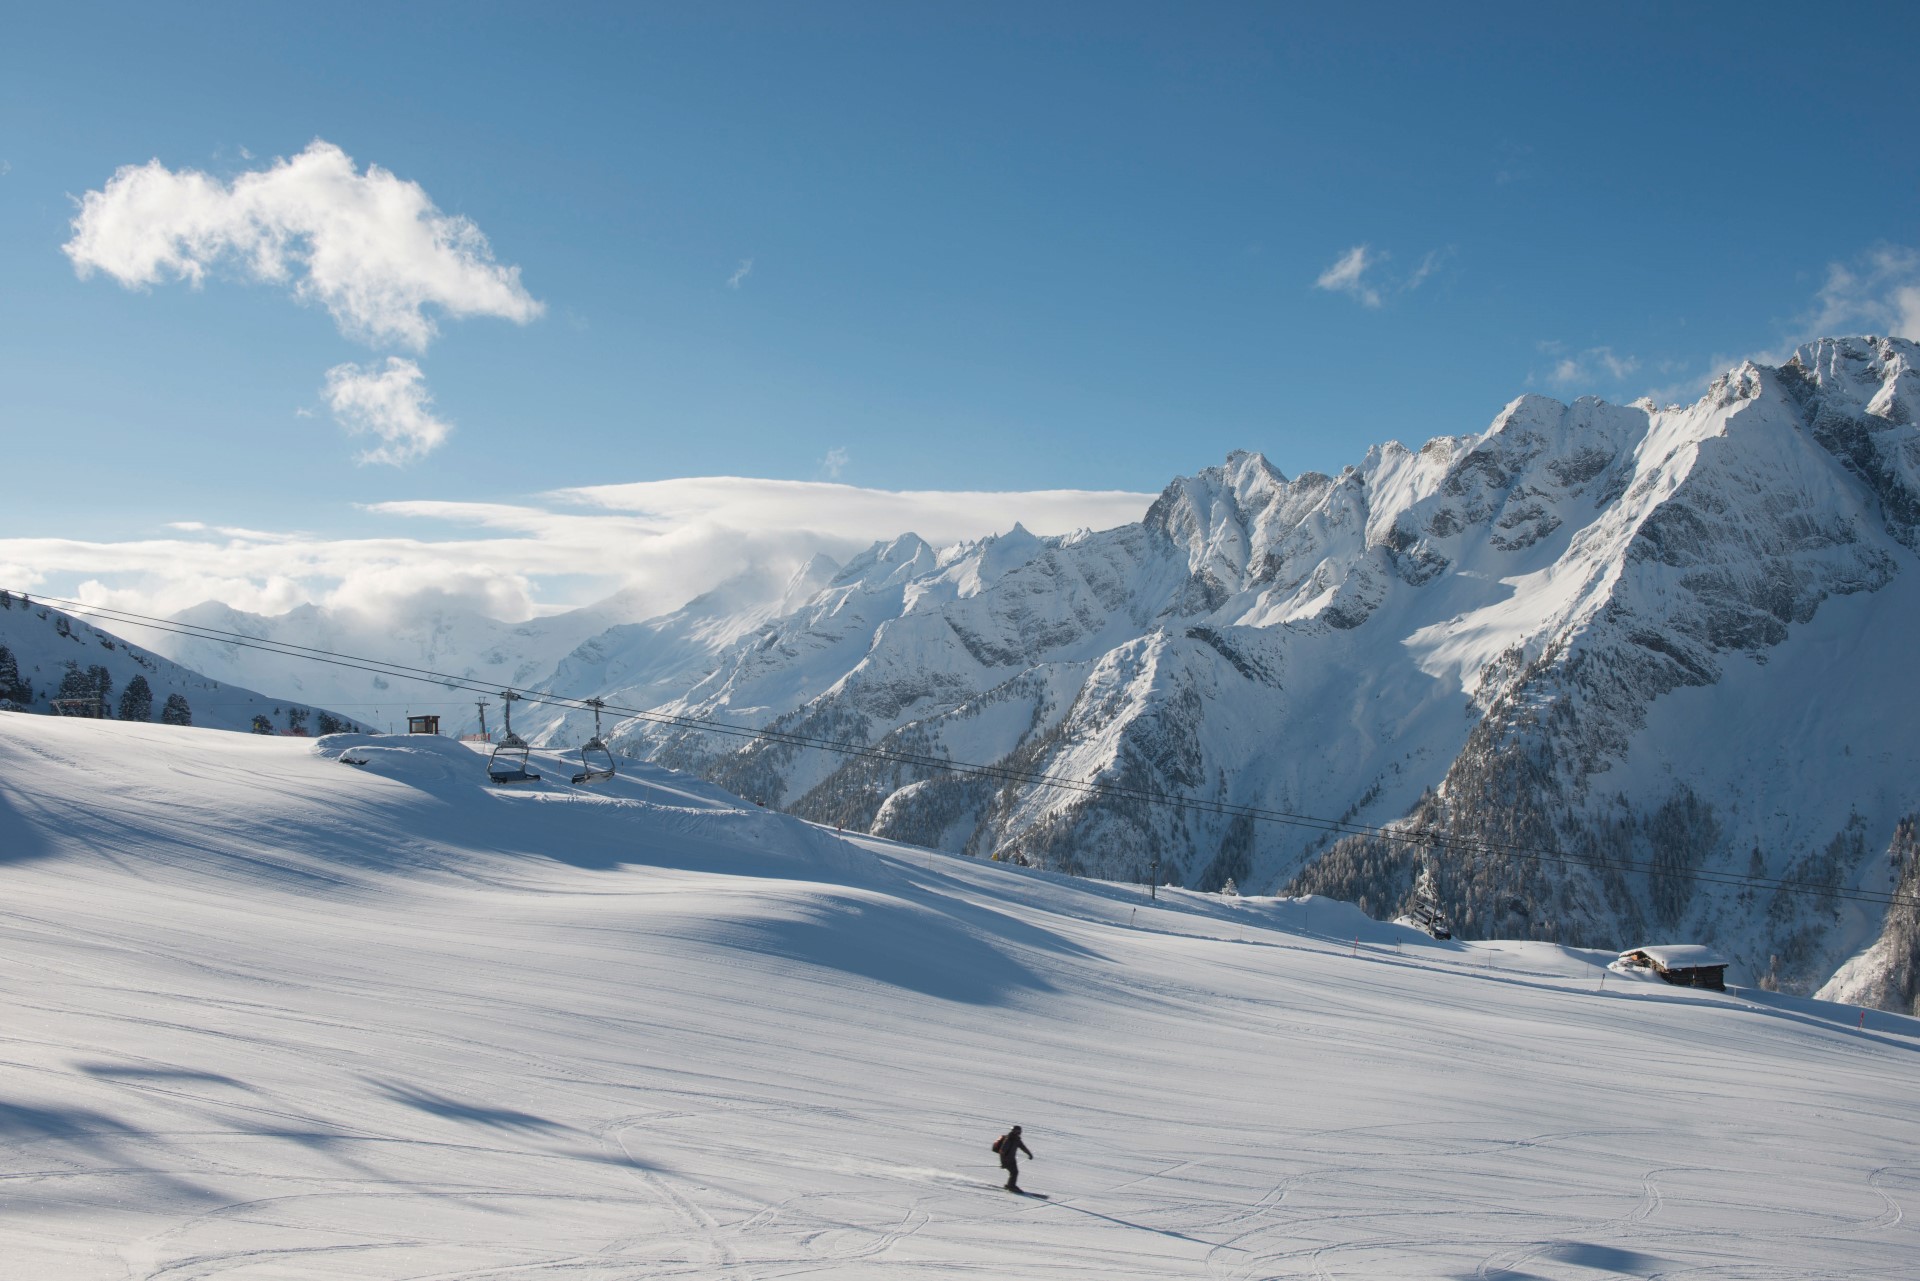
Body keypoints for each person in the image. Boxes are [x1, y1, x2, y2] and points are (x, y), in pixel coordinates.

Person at [995, 1124, 1033, 1192]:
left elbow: (1023, 1147)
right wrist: (1003, 1162)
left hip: (1012, 1159)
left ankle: (1010, 1185)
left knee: (1014, 1173)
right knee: (1014, 1172)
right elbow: (1002, 1152)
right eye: (1017, 1131)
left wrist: (1029, 1154)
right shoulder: (1008, 1139)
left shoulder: (1017, 1139)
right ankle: (1011, 1186)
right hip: (1007, 1160)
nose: (1018, 1133)